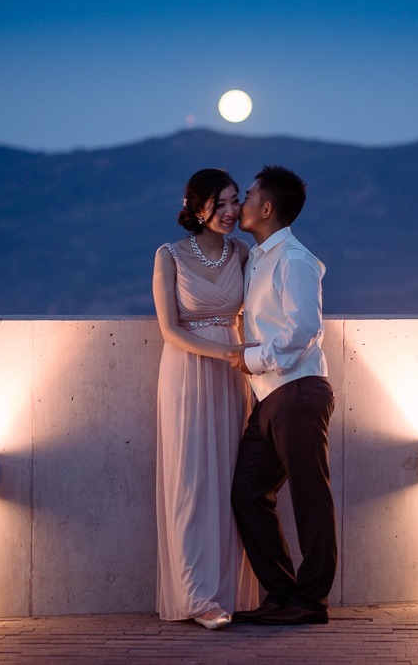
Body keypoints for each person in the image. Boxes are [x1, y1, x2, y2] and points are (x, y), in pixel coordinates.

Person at [227, 165, 337, 625]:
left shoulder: (294, 259)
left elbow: (304, 331)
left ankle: (310, 602)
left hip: (297, 392)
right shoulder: (257, 259)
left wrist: (249, 357)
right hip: (271, 397)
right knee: (248, 494)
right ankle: (282, 594)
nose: (240, 204)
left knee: (311, 495)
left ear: (266, 208)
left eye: (247, 196)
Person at [152, 168, 260, 630]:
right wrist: (224, 352)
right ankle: (196, 596)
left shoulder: (243, 251)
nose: (231, 212)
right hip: (188, 374)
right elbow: (169, 329)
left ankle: (228, 591)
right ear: (198, 207)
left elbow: (259, 311)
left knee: (230, 480)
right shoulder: (168, 255)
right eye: (221, 204)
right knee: (192, 482)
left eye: (235, 201)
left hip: (234, 377)